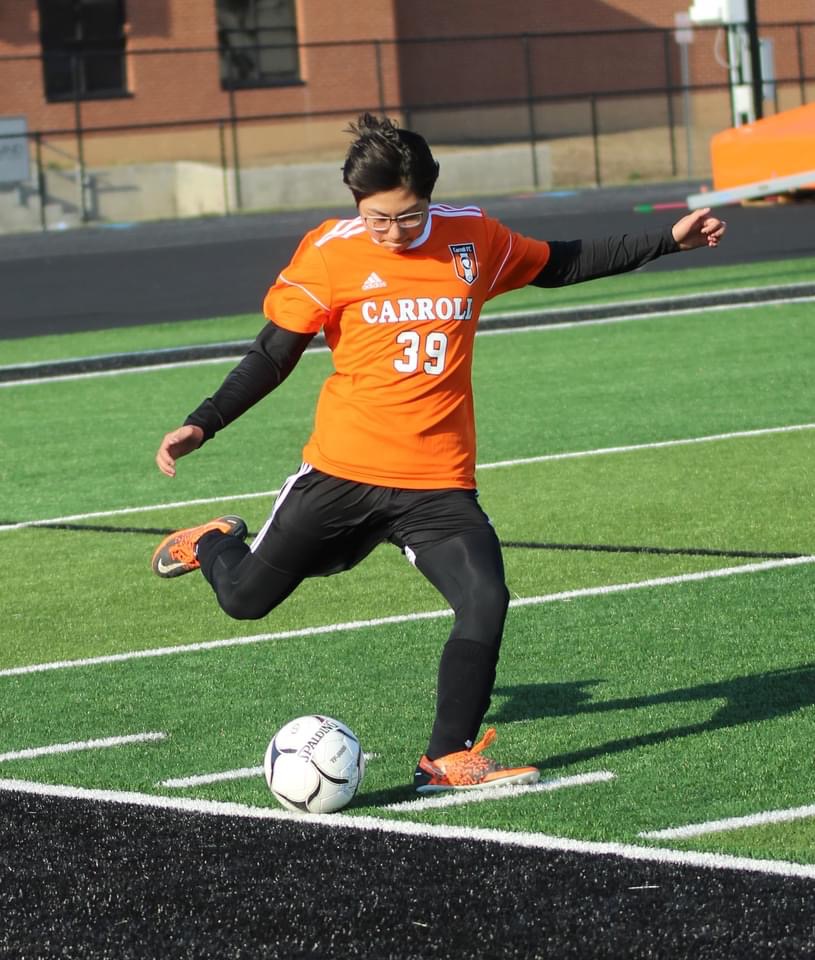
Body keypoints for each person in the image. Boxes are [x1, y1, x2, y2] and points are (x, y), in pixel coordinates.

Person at [152, 113, 726, 794]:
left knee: (485, 598)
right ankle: (214, 541)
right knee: (245, 603)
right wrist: (202, 424)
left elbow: (557, 262)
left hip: (436, 483)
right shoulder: (329, 253)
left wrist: (665, 240)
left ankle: (444, 759)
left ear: (429, 197)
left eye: (407, 215)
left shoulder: (472, 237)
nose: (392, 231)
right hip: (342, 472)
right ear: (354, 203)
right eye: (377, 219)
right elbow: (273, 355)